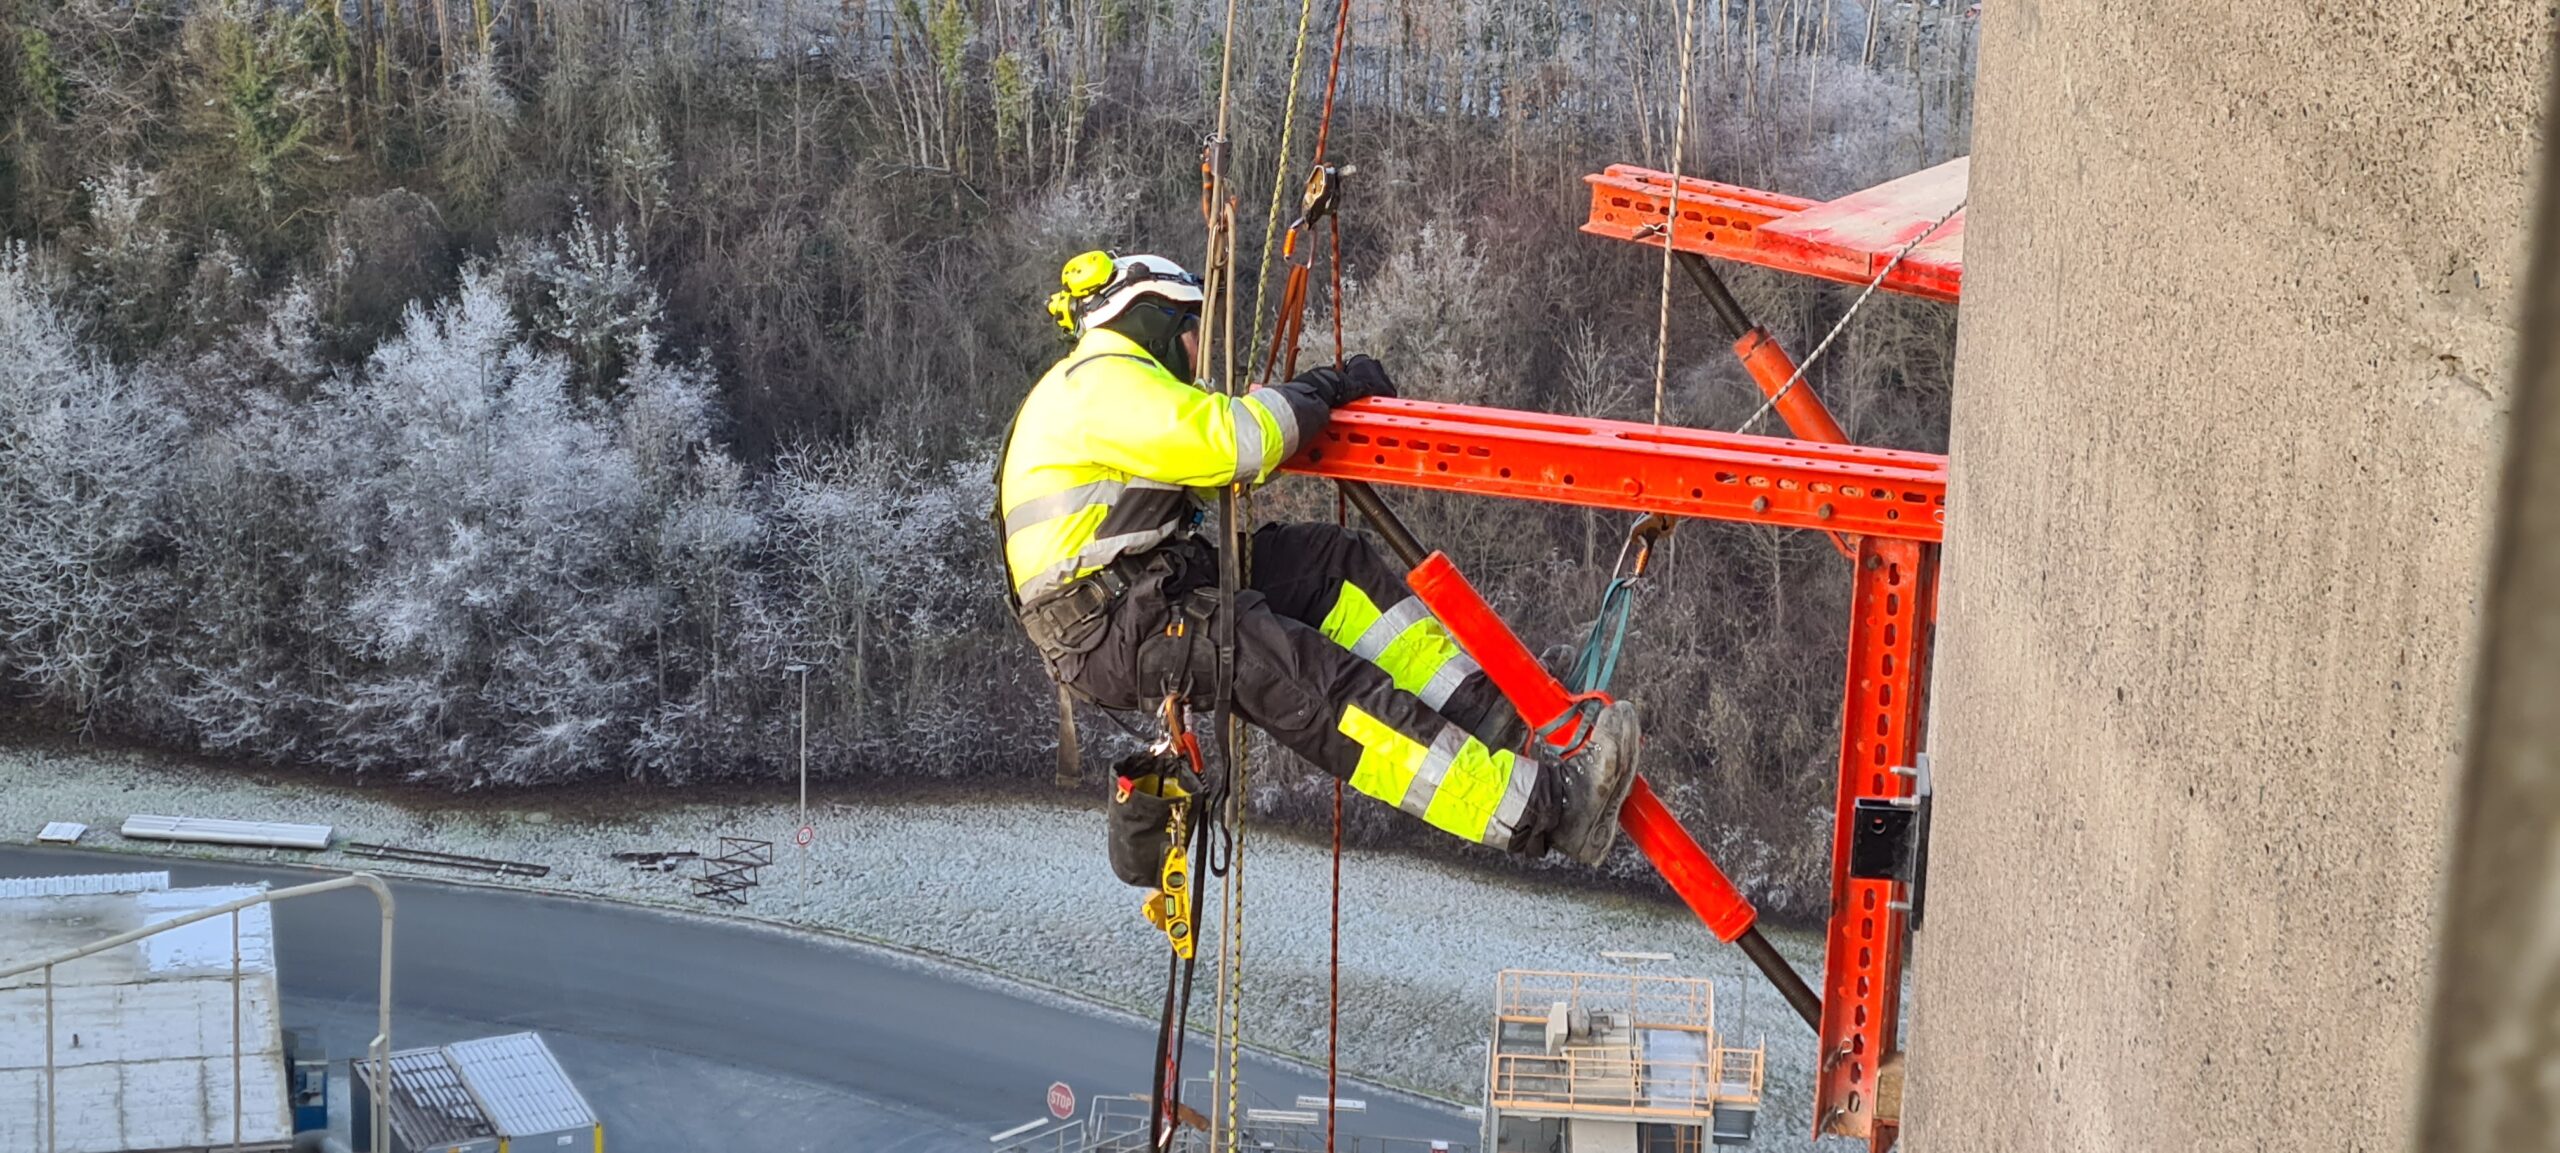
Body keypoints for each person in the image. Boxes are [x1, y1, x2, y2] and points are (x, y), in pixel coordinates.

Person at [997, 250, 1640, 864]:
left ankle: (1495, 722)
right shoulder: (1104, 380)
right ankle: (1549, 810)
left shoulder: (1096, 390)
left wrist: (1306, 402)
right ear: (1156, 316)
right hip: (1117, 622)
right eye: (1192, 329)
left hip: (1145, 592)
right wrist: (1322, 390)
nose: (1196, 351)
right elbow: (1238, 442)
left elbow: (1212, 466)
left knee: (1331, 566)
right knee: (1326, 691)